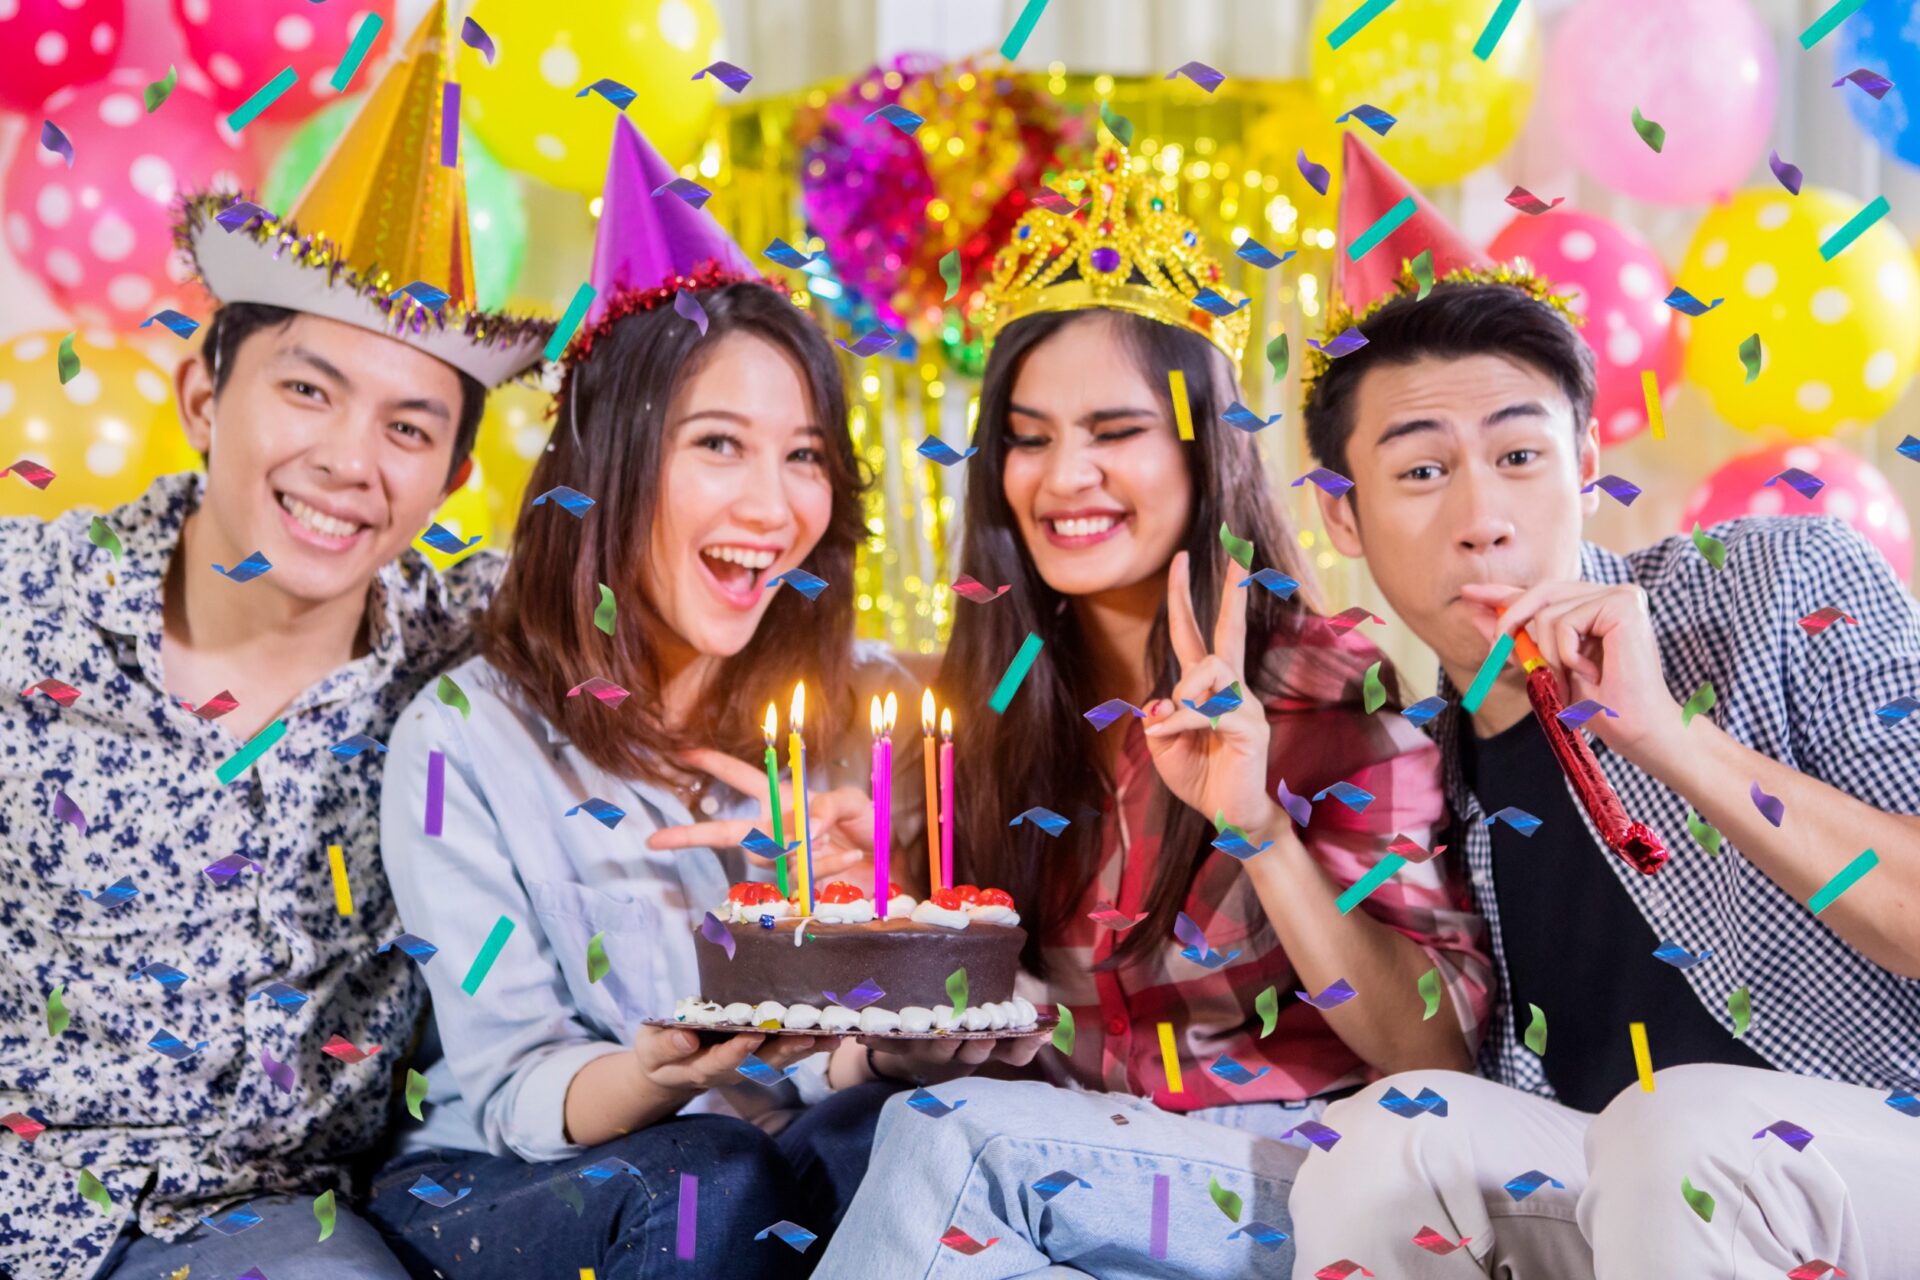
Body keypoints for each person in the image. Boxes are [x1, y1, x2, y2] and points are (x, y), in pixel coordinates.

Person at [817, 139, 1490, 1279]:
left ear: (1199, 449)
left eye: (1114, 431)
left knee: (947, 1141)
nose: (1063, 476)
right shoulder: (983, 713)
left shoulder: (1329, 690)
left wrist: (1259, 829)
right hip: (1059, 1174)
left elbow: (1436, 1049)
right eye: (1030, 438)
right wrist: (869, 932)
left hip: (1293, 1167)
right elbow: (936, 1042)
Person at [1285, 136, 1920, 1278]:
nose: (1483, 516)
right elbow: (1422, 1049)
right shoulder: (1416, 762)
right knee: (1386, 1138)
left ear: (1585, 459)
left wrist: (1672, 740)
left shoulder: (1782, 583)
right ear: (1344, 516)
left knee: (1676, 1129)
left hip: (1879, 1146)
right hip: (1636, 1191)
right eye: (1422, 471)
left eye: (1519, 453)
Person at [0, 7, 554, 1278]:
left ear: (454, 473)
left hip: (260, 1234)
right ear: (204, 397)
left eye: (409, 428)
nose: (349, 462)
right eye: (306, 388)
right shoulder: (23, 603)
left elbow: (685, 599)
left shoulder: (476, 653)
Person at [363, 116, 921, 1279]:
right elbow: (515, 1087)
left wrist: (862, 960)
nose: (775, 507)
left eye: (806, 455)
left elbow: (831, 1079)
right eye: (720, 443)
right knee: (707, 1176)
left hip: (759, 1146)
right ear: (611, 462)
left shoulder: (856, 716)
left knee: (904, 1137)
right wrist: (670, 1064)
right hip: (513, 1171)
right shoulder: (465, 736)